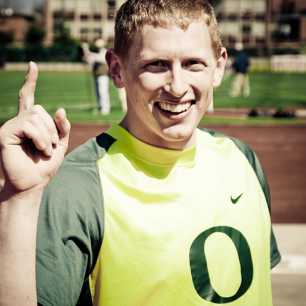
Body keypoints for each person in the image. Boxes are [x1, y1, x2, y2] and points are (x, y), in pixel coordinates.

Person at [0, 1, 281, 305]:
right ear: (117, 70)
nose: (177, 86)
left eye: (193, 64)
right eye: (156, 65)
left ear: (219, 66)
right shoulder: (79, 187)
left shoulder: (243, 160)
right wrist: (19, 201)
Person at [82, 38, 111, 114]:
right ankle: (100, 107)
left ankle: (105, 109)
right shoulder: (96, 53)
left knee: (103, 92)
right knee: (98, 92)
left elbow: (98, 58)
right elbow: (89, 59)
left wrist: (87, 51)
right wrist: (85, 49)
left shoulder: (105, 52)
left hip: (103, 75)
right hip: (96, 75)